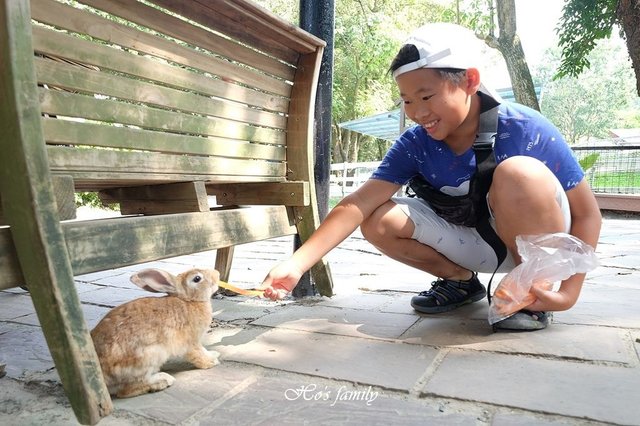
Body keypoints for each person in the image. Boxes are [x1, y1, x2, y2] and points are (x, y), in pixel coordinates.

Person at [260, 23, 602, 331]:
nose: (418, 112)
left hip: (535, 245)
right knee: (379, 218)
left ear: (469, 81)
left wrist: (569, 293)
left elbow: (587, 214)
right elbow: (358, 203)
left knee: (519, 172)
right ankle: (460, 281)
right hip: (475, 243)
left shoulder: (525, 128)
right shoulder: (415, 144)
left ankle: (532, 292)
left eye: (426, 96)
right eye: (407, 100)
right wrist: (297, 264)